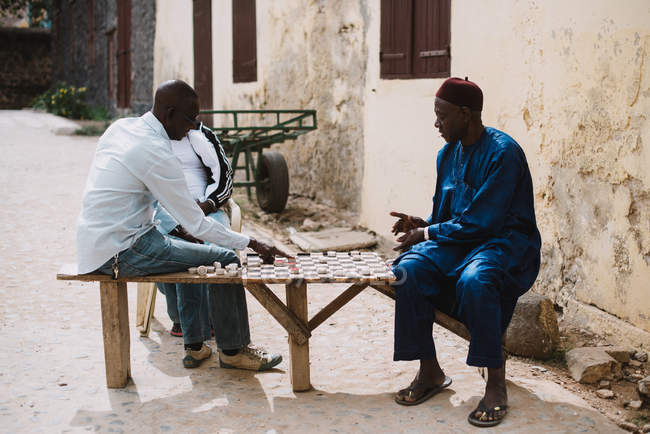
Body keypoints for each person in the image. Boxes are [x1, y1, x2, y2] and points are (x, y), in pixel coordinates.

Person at [77, 79, 290, 370]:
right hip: (121, 251)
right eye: (190, 119)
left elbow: (139, 197)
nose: (192, 127)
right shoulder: (155, 151)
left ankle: (196, 345)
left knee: (192, 251)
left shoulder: (122, 128)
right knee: (225, 258)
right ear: (170, 113)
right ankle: (234, 351)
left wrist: (176, 227)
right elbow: (198, 223)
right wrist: (252, 243)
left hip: (97, 242)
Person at [389, 77, 541, 427]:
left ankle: (496, 383)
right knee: (408, 270)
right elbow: (449, 220)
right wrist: (422, 223)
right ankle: (429, 370)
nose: (436, 123)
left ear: (465, 114)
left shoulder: (503, 153)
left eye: (441, 116)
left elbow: (484, 222)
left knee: (477, 280)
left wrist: (426, 232)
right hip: (461, 242)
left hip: (503, 243)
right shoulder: (446, 154)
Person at [153, 121, 237, 339]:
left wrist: (207, 205)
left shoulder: (201, 135)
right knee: (166, 248)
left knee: (220, 249)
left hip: (205, 208)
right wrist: (171, 215)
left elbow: (224, 176)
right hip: (166, 212)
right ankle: (181, 317)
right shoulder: (150, 137)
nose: (193, 119)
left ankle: (214, 317)